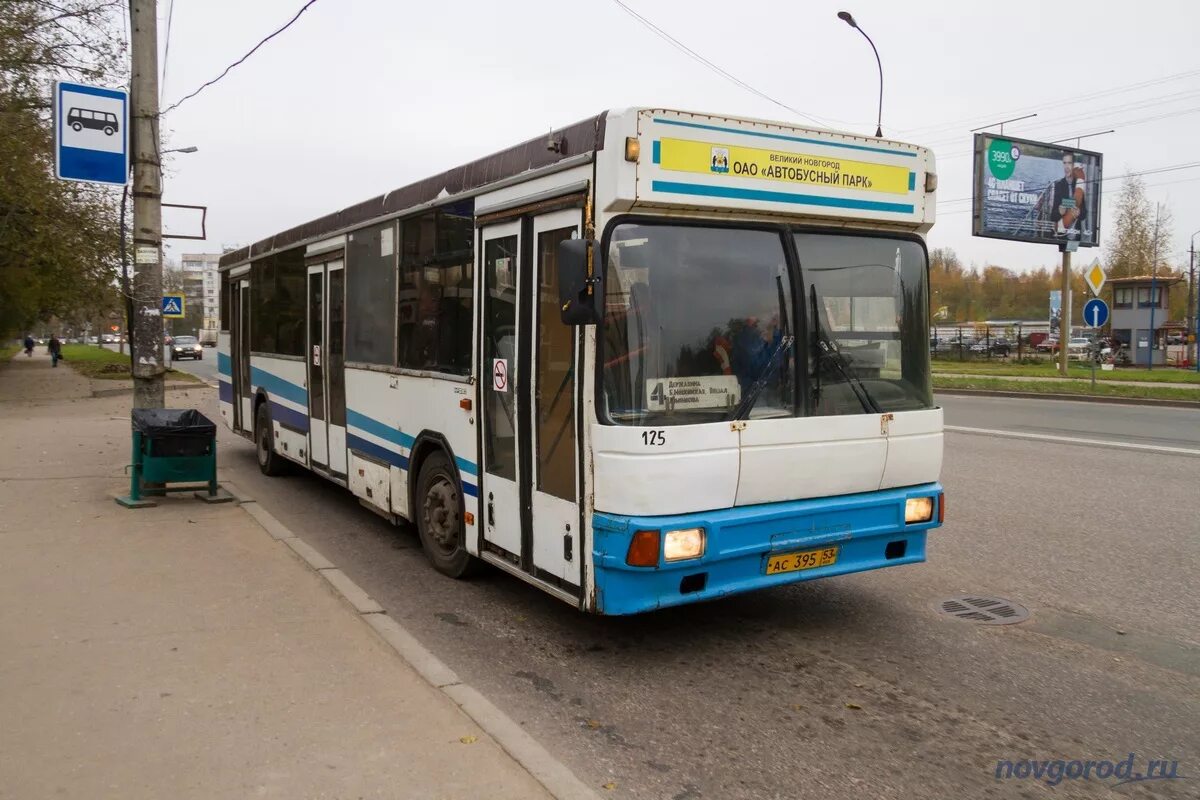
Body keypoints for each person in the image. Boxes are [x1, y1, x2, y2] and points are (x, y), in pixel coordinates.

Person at [1050, 153, 1087, 240]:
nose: (1066, 167)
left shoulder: (1079, 185)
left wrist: (1079, 213)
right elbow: (1053, 216)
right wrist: (1059, 212)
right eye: (1064, 163)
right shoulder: (1059, 185)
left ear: (1074, 165)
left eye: (1069, 163)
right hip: (1060, 234)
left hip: (1075, 234)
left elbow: (1084, 214)